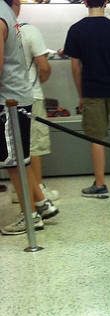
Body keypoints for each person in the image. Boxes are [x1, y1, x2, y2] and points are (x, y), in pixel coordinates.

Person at [63, 0, 110, 198]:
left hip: (91, 90)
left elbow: (75, 68)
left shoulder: (76, 30)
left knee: (96, 138)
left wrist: (81, 94)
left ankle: (100, 185)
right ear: (106, 2)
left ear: (84, 2)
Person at [0, 0, 60, 236]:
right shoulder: (7, 12)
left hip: (8, 100)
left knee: (15, 163)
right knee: (21, 159)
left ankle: (30, 216)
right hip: (18, 96)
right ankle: (41, 203)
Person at [15, 0, 59, 204]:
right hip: (31, 95)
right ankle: (38, 190)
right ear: (17, 5)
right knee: (33, 146)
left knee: (15, 147)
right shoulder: (29, 30)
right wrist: (38, 82)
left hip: (7, 99)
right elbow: (44, 66)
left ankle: (21, 191)